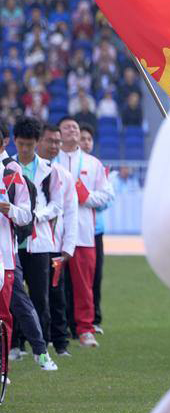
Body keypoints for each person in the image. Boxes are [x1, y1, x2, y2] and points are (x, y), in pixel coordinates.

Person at [54, 116, 111, 348]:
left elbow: (106, 196)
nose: (72, 130)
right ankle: (54, 331)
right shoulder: (51, 161)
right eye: (66, 127)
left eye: (75, 127)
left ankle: (85, 329)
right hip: (54, 234)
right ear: (58, 133)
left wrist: (86, 197)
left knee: (84, 284)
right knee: (53, 284)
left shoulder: (93, 163)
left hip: (84, 234)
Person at [9, 115, 59, 371]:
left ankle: (44, 344)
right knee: (13, 295)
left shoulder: (50, 170)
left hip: (39, 241)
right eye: (21, 144)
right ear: (14, 142)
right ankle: (16, 345)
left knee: (40, 297)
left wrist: (37, 215)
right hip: (12, 241)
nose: (25, 149)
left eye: (30, 144)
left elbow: (56, 204)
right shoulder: (8, 168)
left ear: (37, 142)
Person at [36, 121, 75, 355]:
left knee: (56, 293)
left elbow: (70, 211)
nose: (54, 145)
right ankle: (24, 341)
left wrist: (69, 245)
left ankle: (60, 343)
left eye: (57, 142)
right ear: (39, 140)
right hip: (31, 242)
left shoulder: (63, 175)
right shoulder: (24, 170)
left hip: (55, 244)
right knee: (31, 294)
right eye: (50, 140)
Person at [79, 121, 111, 333]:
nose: (86, 142)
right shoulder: (64, 165)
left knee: (95, 276)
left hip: (95, 230)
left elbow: (107, 200)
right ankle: (78, 321)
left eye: (89, 139)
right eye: (83, 138)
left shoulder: (96, 166)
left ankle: (95, 318)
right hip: (75, 230)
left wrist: (87, 198)